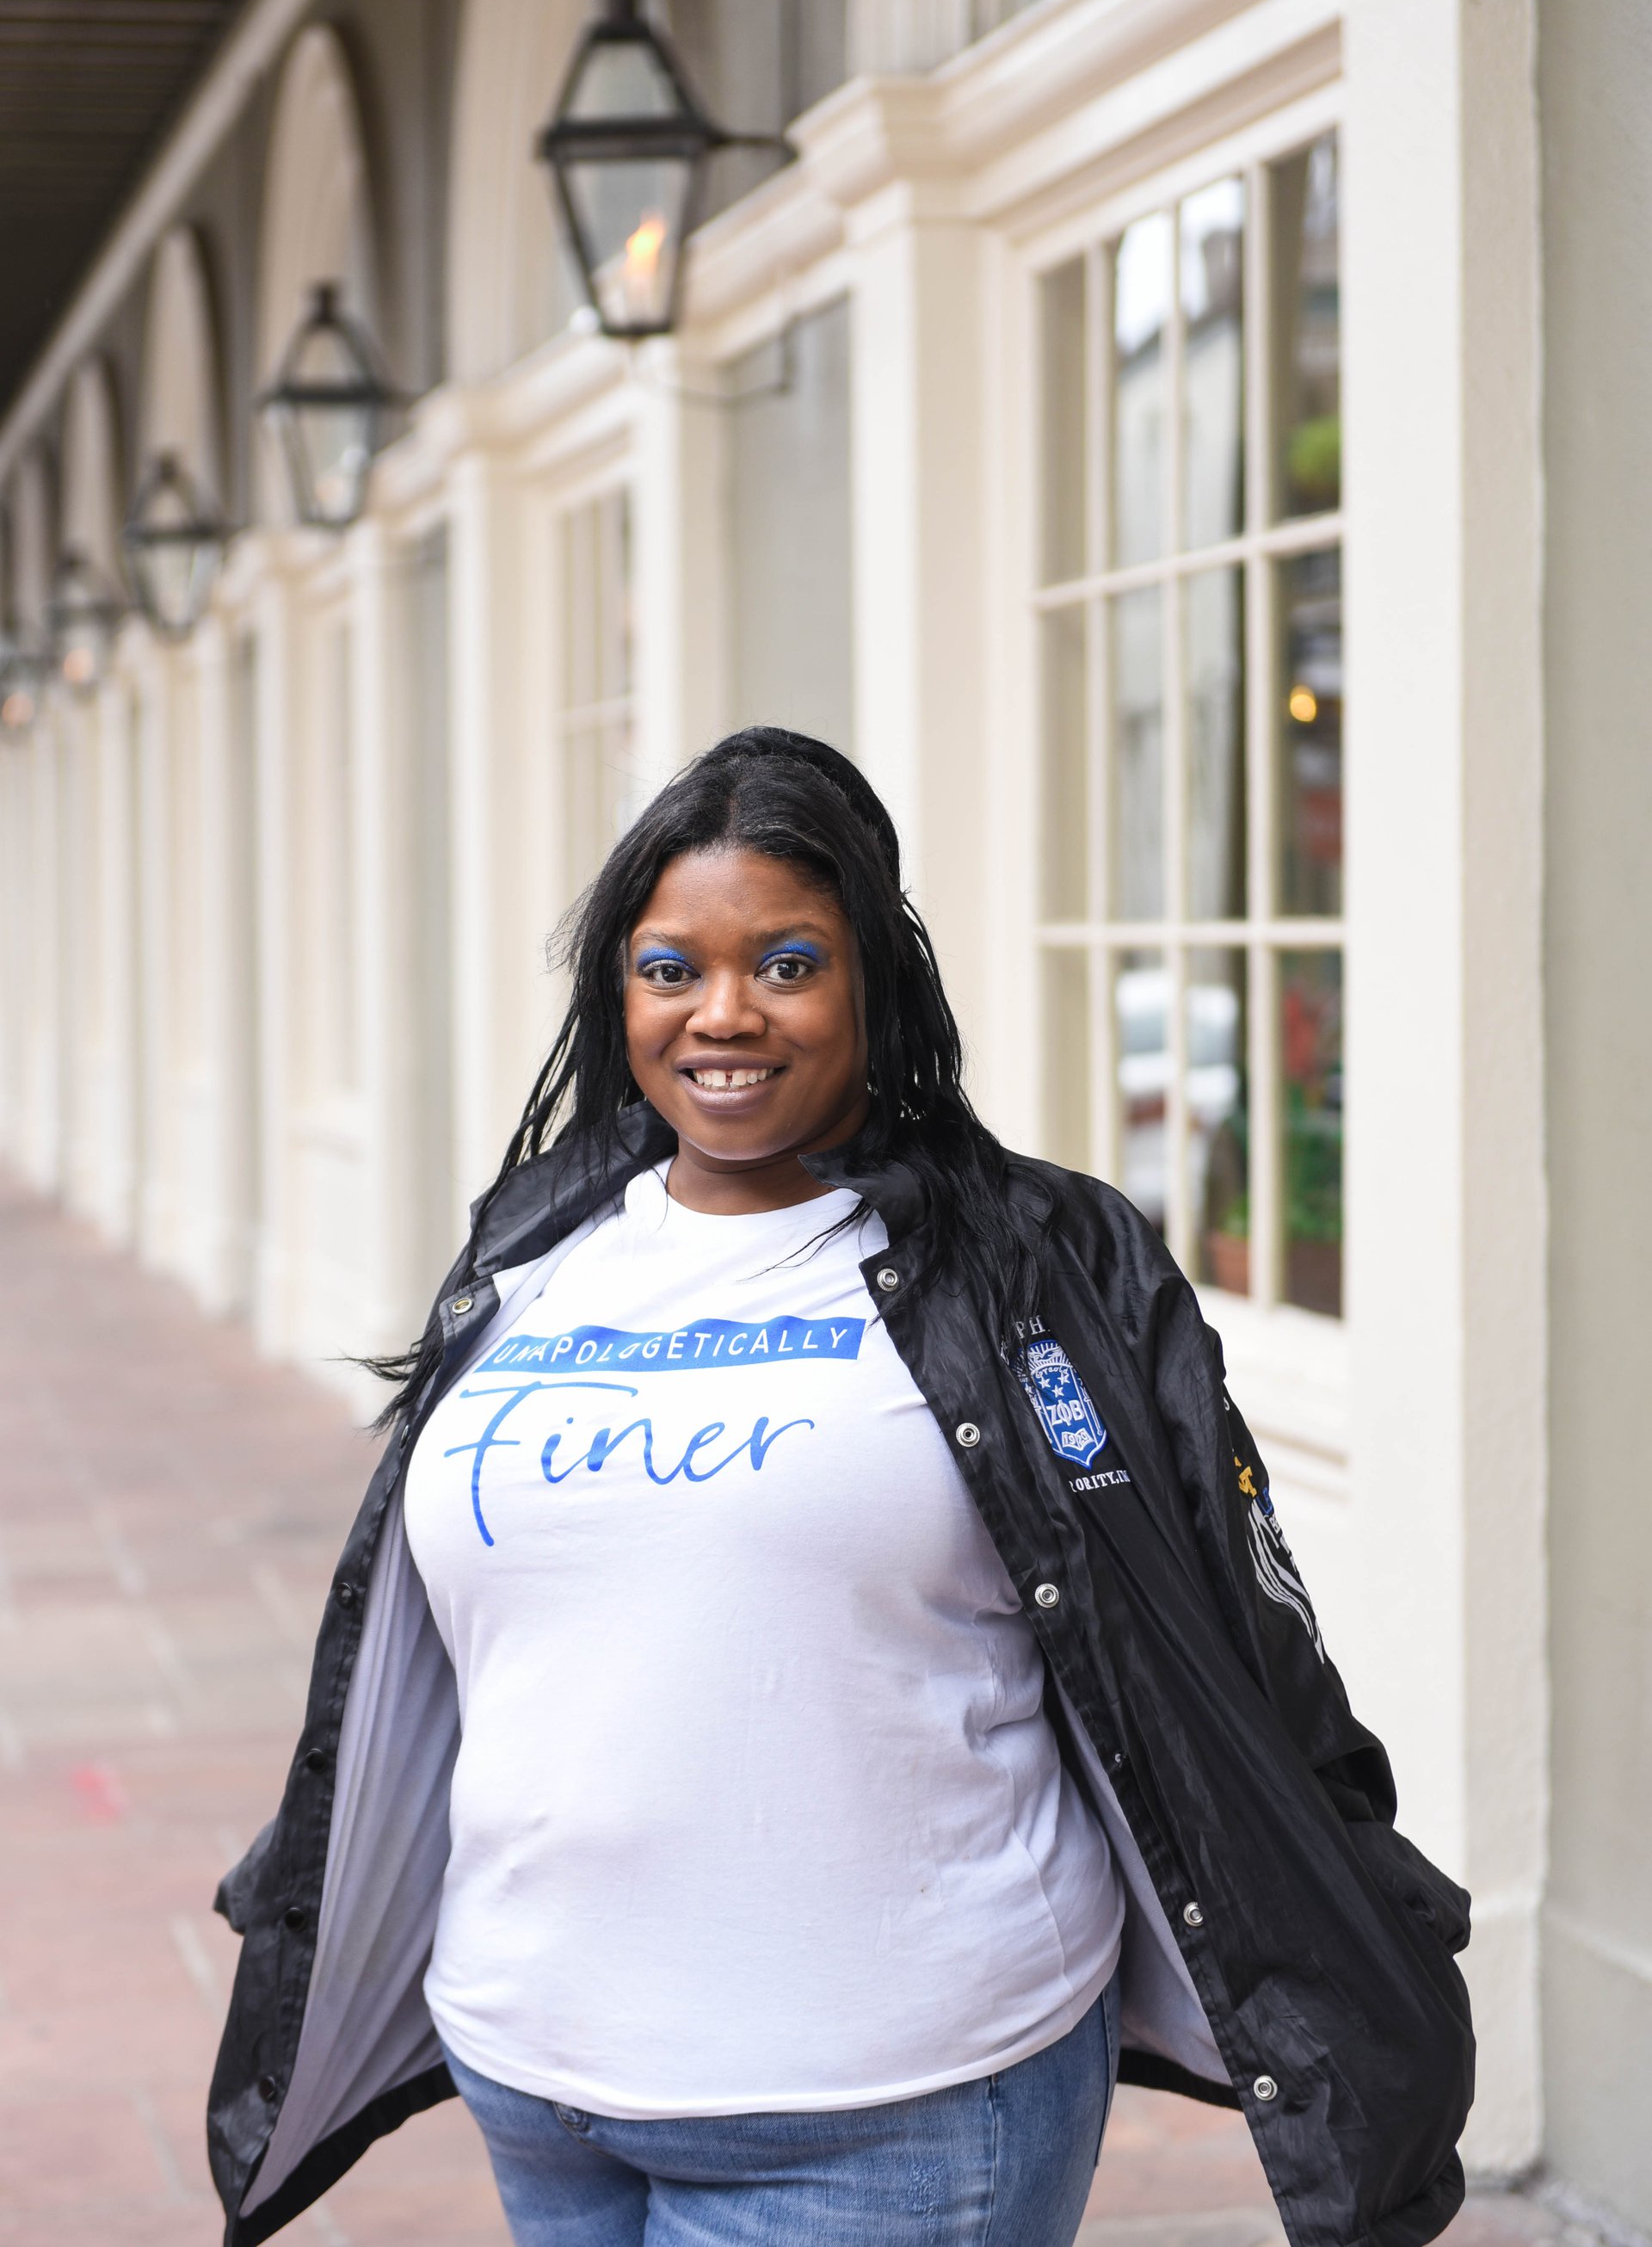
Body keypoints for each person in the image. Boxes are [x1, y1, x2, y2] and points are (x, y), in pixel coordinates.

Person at [207, 726, 1474, 2247]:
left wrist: (1353, 1910)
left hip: (895, 2103)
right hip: (538, 2082)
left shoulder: (1032, 1264)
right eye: (670, 969)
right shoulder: (533, 1251)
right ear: (617, 994)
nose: (722, 1013)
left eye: (788, 964)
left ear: (874, 981)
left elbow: (1228, 1626)